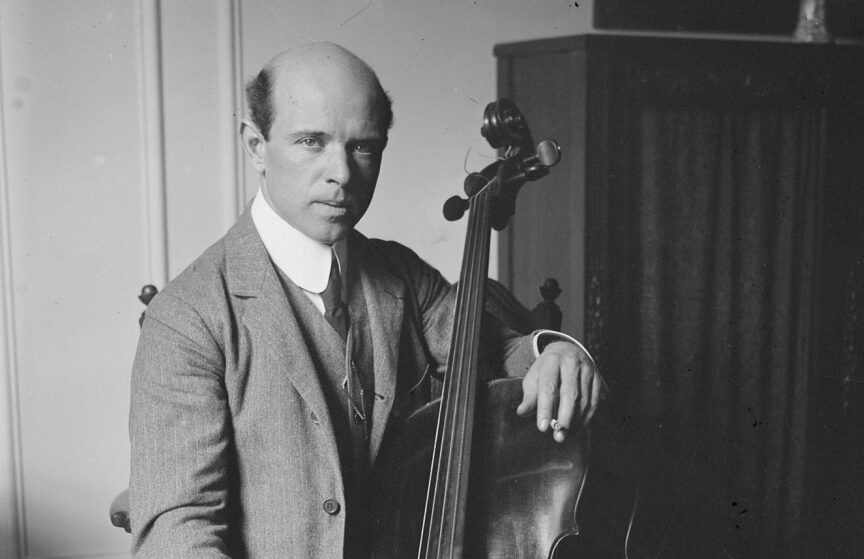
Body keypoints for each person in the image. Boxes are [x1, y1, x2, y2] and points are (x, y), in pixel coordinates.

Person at [129, 42, 604, 558]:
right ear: (255, 146)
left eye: (363, 148)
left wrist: (555, 354)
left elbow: (497, 356)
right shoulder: (187, 317)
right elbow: (178, 532)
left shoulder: (403, 274)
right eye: (311, 141)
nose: (342, 174)